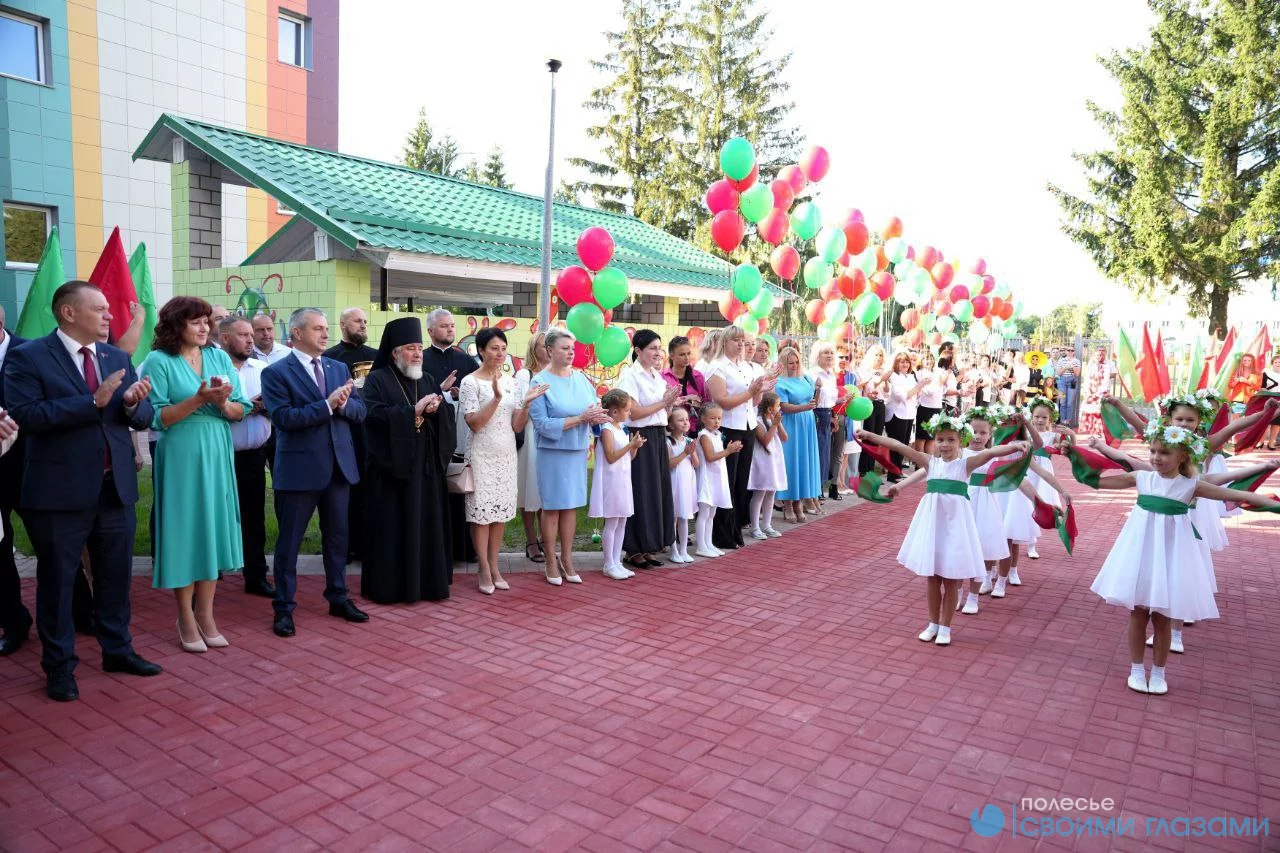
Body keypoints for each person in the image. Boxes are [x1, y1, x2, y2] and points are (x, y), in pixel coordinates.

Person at [4, 281, 162, 701]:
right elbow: (26, 415)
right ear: (69, 313)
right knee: (58, 583)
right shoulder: (28, 356)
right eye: (100, 309)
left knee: (115, 577)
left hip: (114, 488)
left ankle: (118, 650)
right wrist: (92, 402)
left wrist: (132, 402)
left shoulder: (116, 357)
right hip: (59, 493)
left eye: (109, 309)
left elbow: (142, 417)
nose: (110, 316)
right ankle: (58, 666)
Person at [1090, 423, 1279, 694]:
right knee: (1138, 612)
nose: (1156, 457)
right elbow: (1098, 480)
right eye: (1153, 451)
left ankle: (1159, 672)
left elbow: (1235, 494)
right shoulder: (1141, 478)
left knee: (1163, 616)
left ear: (1182, 456)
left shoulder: (1191, 485)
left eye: (1164, 452)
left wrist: (1273, 504)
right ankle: (1136, 669)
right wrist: (1077, 455)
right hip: (1140, 551)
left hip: (1173, 553)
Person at [140, 297, 250, 653]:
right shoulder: (158, 361)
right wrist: (200, 400)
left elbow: (241, 410)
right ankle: (185, 616)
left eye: (207, 321)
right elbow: (156, 418)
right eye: (196, 322)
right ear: (176, 325)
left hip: (217, 448)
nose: (205, 328)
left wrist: (222, 404)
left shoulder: (219, 357)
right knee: (185, 531)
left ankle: (206, 614)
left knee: (211, 529)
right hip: (180, 451)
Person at [864, 418, 1028, 647]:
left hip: (956, 529)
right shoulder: (930, 463)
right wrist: (870, 436)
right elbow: (898, 446)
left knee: (951, 578)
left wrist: (1015, 446)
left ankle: (945, 627)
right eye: (940, 440)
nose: (945, 445)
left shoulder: (965, 465)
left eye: (951, 440)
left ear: (961, 441)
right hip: (933, 526)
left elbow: (991, 453)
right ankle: (932, 624)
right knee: (932, 578)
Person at [260, 308, 368, 638]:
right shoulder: (276, 373)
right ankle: (283, 607)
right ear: (297, 333)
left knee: (337, 539)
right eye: (317, 328)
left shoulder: (338, 368)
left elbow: (360, 410)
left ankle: (338, 597)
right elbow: (283, 419)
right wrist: (327, 405)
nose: (325, 333)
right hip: (299, 471)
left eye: (325, 328)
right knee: (289, 543)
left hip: (338, 468)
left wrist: (343, 404)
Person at [359, 317, 456, 604]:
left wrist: (437, 410)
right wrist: (412, 412)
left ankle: (428, 584)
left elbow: (442, 418)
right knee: (394, 528)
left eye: (419, 348)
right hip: (392, 472)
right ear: (395, 352)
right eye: (411, 348)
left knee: (426, 524)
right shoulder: (377, 380)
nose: (417, 354)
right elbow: (372, 417)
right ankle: (391, 588)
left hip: (425, 468)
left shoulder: (427, 379)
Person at [460, 328, 547, 595]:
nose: (499, 354)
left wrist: (527, 405)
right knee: (482, 514)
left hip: (507, 454)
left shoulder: (511, 381)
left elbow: (516, 426)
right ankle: (483, 568)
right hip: (481, 454)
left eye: (503, 348)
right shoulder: (470, 382)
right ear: (481, 350)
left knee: (499, 515)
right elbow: (475, 423)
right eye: (494, 348)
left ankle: (495, 566)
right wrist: (496, 399)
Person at [529, 328, 609, 585]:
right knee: (552, 507)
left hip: (576, 450)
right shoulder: (539, 382)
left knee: (571, 506)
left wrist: (598, 417)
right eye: (565, 348)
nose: (571, 352)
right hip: (552, 453)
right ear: (550, 350)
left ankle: (567, 558)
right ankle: (550, 561)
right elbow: (542, 424)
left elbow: (593, 408)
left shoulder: (581, 380)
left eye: (572, 348)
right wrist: (580, 419)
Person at [219, 316, 275, 597]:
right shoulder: (213, 370)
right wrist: (245, 407)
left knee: (254, 518)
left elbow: (278, 405)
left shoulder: (263, 369)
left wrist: (264, 406)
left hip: (255, 456)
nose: (251, 340)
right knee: (217, 516)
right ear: (224, 338)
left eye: (251, 335)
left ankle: (256, 576)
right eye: (243, 335)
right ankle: (209, 574)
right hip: (221, 456)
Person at [616, 330, 678, 571]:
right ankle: (633, 548)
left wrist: (671, 404)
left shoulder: (656, 376)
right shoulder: (630, 376)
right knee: (640, 490)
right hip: (640, 437)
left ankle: (649, 545)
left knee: (656, 491)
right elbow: (633, 412)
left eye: (659, 348)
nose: (657, 353)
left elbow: (662, 412)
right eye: (652, 348)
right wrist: (664, 402)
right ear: (638, 351)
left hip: (658, 435)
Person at [423, 309, 477, 563]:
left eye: (452, 325)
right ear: (430, 330)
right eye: (444, 326)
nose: (450, 329)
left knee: (461, 490)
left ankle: (464, 549)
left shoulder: (466, 361)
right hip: (430, 435)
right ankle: (438, 551)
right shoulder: (421, 360)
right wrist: (441, 391)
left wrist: (460, 395)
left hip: (461, 435)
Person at [324, 307, 378, 563]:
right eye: (357, 321)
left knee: (369, 491)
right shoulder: (329, 358)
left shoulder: (377, 357)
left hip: (371, 433)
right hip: (342, 433)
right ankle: (343, 548)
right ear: (343, 324)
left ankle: (367, 546)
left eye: (365, 321)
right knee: (344, 492)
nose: (363, 325)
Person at [704, 326, 765, 550]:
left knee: (741, 481)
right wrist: (750, 392)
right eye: (736, 340)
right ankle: (722, 533)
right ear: (725, 342)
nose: (741, 344)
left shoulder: (746, 367)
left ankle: (736, 528)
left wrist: (761, 389)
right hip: (729, 427)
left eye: (742, 340)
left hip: (747, 425)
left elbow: (754, 402)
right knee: (727, 481)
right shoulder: (718, 366)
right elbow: (722, 400)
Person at [0, 304, 34, 656]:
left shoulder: (31, 352)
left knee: (52, 542)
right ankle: (14, 622)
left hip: (30, 466)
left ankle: (82, 612)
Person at [590, 389, 644, 580]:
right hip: (611, 480)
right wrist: (630, 445)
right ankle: (608, 563)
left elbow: (629, 457)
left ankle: (617, 561)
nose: (629, 413)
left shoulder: (622, 429)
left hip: (623, 479)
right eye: (627, 409)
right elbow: (611, 457)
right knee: (612, 522)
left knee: (622, 521)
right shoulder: (607, 429)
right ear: (614, 411)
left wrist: (634, 447)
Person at [774, 346, 820, 523]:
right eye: (790, 363)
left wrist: (817, 392)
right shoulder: (779, 382)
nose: (794, 365)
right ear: (783, 364)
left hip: (807, 424)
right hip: (790, 424)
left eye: (796, 362)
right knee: (790, 463)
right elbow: (784, 407)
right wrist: (805, 407)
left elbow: (814, 402)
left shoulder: (806, 378)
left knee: (804, 462)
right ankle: (787, 504)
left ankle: (799, 503)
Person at [515, 332, 549, 563]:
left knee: (547, 491)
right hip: (530, 434)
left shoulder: (559, 374)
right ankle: (530, 541)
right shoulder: (524, 375)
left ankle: (545, 538)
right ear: (533, 348)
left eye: (550, 345)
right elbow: (518, 406)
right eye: (543, 345)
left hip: (553, 437)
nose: (548, 349)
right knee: (530, 489)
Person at [694, 404, 739, 558]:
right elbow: (710, 457)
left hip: (717, 477)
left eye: (719, 418)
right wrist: (728, 451)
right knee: (704, 513)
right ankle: (701, 546)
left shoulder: (717, 434)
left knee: (712, 513)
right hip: (707, 477)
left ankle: (708, 543)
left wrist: (729, 450)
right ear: (703, 419)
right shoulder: (704, 435)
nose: (717, 421)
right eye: (713, 418)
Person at [748, 392, 787, 539]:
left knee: (771, 492)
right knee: (760, 492)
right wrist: (774, 425)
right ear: (770, 408)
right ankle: (755, 527)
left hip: (774, 460)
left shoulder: (774, 420)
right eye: (778, 405)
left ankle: (767, 525)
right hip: (763, 461)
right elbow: (765, 441)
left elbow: (784, 437)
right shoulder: (758, 421)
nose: (780, 407)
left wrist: (778, 423)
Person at [884, 352, 927, 478]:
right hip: (897, 414)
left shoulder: (910, 376)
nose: (905, 364)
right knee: (896, 445)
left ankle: (898, 471)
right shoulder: (894, 376)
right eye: (902, 362)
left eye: (907, 362)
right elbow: (902, 396)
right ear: (896, 363)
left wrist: (918, 388)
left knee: (904, 444)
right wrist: (918, 387)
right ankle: (893, 474)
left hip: (909, 413)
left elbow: (915, 395)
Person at [666, 406, 699, 564]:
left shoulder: (689, 441)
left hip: (687, 482)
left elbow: (697, 464)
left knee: (684, 516)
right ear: (671, 425)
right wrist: (685, 453)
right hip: (675, 481)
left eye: (686, 419)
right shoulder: (668, 442)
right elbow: (670, 464)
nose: (685, 422)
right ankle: (673, 550)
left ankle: (684, 550)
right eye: (680, 420)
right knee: (674, 517)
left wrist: (692, 452)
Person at [808, 342, 840, 502]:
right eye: (825, 353)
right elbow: (813, 398)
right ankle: (815, 489)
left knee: (825, 454)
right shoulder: (812, 374)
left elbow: (831, 400)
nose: (829, 356)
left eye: (831, 353)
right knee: (817, 452)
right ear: (817, 356)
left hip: (828, 414)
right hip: (817, 414)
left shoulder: (831, 374)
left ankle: (820, 486)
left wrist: (834, 416)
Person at [663, 336, 706, 437]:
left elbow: (705, 402)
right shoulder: (663, 376)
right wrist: (685, 399)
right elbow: (660, 403)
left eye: (688, 353)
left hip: (694, 428)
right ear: (672, 355)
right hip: (671, 430)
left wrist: (694, 402)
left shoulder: (698, 376)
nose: (687, 358)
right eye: (682, 354)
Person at [856, 346, 890, 475]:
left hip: (881, 404)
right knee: (868, 437)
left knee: (877, 438)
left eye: (881, 355)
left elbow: (887, 391)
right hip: (869, 404)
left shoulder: (883, 371)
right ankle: (863, 470)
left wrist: (885, 381)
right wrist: (881, 379)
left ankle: (871, 470)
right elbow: (868, 387)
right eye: (876, 355)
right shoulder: (866, 370)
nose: (879, 358)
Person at [913, 351, 945, 455]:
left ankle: (928, 462)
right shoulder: (919, 373)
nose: (929, 361)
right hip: (925, 407)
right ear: (921, 361)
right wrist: (939, 383)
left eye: (931, 358)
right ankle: (919, 462)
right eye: (926, 358)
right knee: (922, 437)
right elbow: (930, 392)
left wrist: (940, 382)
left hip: (937, 407)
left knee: (931, 438)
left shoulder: (937, 373)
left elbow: (943, 390)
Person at [1077, 348, 1113, 436]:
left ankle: (1098, 430)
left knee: (1099, 411)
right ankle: (1090, 429)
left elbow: (1106, 380)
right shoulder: (1091, 366)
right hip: (1090, 391)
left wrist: (1101, 392)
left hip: (1100, 391)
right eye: (1097, 355)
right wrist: (1087, 390)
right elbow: (1087, 378)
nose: (1099, 356)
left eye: (1101, 355)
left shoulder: (1107, 366)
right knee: (1088, 410)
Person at [1227, 353, 1262, 419]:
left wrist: (1247, 382)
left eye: (1249, 360)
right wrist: (1237, 381)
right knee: (1236, 421)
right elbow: (1230, 386)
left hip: (1249, 400)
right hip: (1237, 399)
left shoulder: (1257, 373)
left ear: (1252, 362)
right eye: (1245, 360)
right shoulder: (1237, 372)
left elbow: (1258, 388)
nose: (1247, 362)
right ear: (1242, 361)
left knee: (1246, 421)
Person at [1055, 348, 1082, 425]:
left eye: (1072, 350)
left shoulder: (1077, 361)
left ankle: (1068, 421)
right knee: (1063, 402)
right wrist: (1066, 367)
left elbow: (1077, 374)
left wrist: (1072, 367)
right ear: (1066, 351)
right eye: (1068, 350)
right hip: (1062, 382)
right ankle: (1063, 420)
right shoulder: (1061, 360)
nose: (1070, 352)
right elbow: (1059, 373)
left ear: (1074, 352)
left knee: (1069, 403)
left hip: (1072, 381)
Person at [1264, 355, 1280, 450]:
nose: (1278, 364)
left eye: (1279, 362)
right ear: (1272, 364)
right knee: (1265, 422)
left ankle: (1271, 443)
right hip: (1268, 399)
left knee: (1277, 423)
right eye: (1276, 362)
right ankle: (1260, 442)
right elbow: (1262, 387)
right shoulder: (1266, 373)